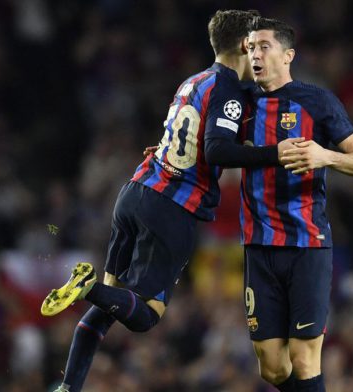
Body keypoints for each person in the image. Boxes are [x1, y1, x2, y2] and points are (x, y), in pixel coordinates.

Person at [40, 10, 302, 392]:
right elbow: (216, 151)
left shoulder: (192, 82)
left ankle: (68, 388)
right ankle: (85, 286)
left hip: (134, 192)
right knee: (145, 315)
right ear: (244, 47)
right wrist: (274, 154)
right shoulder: (227, 90)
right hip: (170, 208)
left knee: (111, 305)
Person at [241, 17, 353, 392]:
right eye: (250, 47)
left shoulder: (316, 101)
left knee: (304, 359)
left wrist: (325, 156)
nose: (255, 54)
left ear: (288, 55)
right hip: (258, 246)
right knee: (272, 368)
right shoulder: (240, 105)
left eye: (264, 46)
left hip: (307, 245)